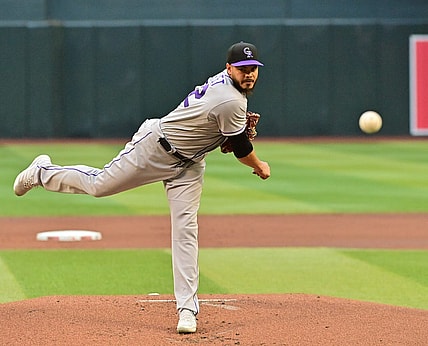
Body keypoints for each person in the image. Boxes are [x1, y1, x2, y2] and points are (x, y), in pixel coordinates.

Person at [13, 41, 271, 333]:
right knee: (99, 185)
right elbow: (240, 147)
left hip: (189, 164)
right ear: (229, 69)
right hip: (155, 148)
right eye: (242, 69)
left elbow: (221, 130)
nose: (248, 74)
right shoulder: (231, 101)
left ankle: (187, 310)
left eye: (252, 69)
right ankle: (42, 172)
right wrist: (259, 165)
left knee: (185, 230)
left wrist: (217, 134)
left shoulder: (230, 90)